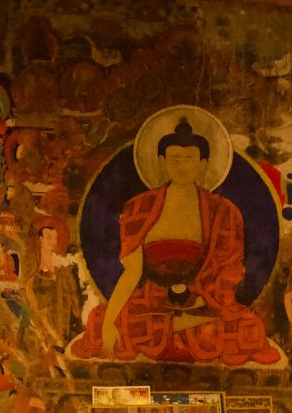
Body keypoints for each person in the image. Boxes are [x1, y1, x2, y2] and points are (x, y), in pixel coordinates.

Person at [70, 118, 279, 365]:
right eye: (175, 160)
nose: (182, 167)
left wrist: (201, 300)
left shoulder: (223, 211)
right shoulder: (140, 208)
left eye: (190, 160)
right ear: (162, 162)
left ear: (203, 164)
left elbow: (228, 271)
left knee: (248, 328)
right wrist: (109, 322)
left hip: (203, 302)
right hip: (152, 300)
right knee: (100, 319)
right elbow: (132, 272)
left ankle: (177, 326)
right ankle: (178, 327)